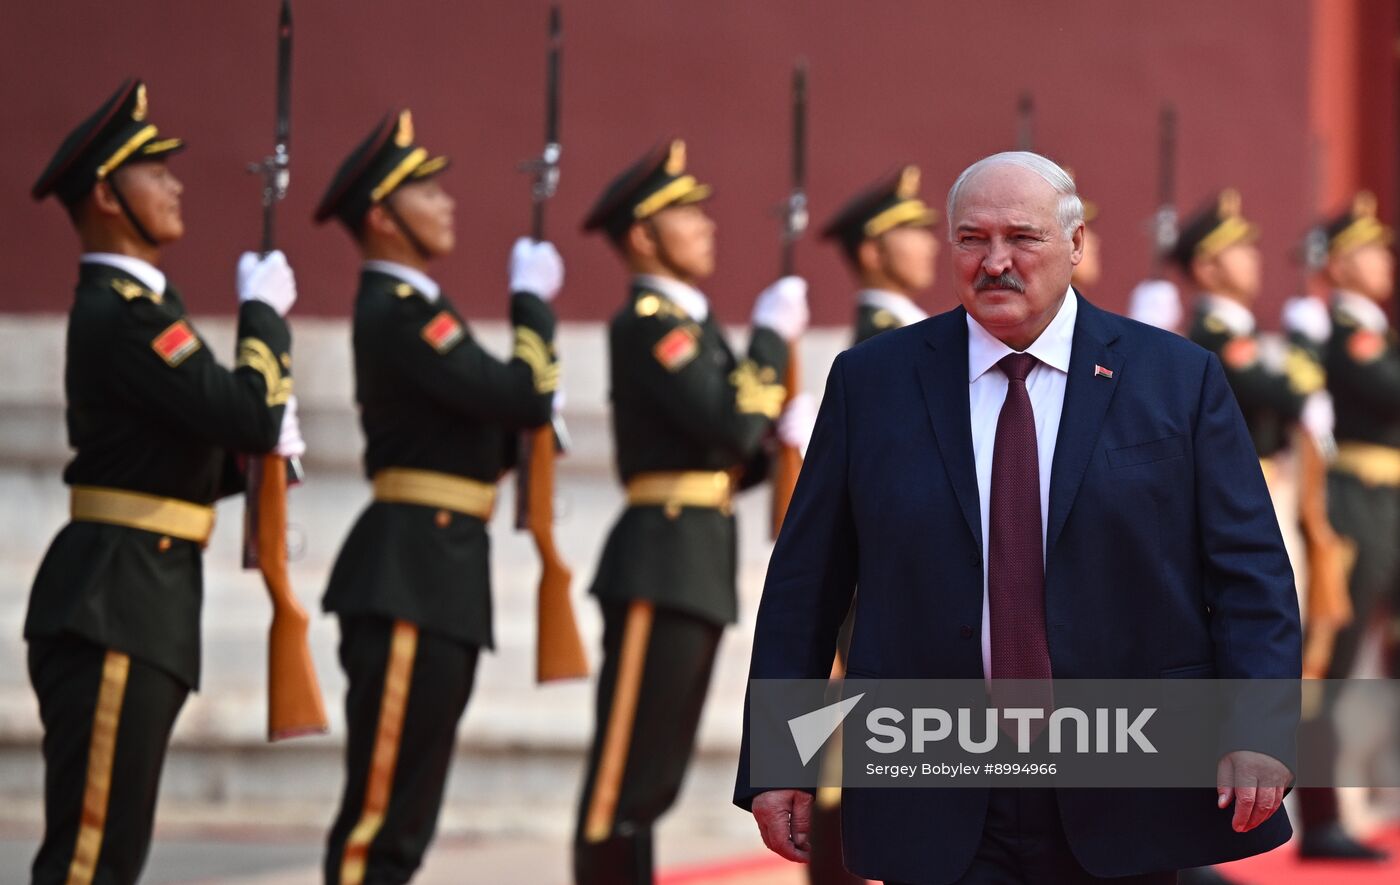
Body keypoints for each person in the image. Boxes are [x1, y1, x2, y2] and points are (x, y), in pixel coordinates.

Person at [736, 151, 1301, 884]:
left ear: (1075, 245)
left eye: (1022, 238)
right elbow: (804, 588)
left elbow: (1249, 572)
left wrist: (1257, 724)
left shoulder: (1176, 379)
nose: (995, 261)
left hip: (1127, 776)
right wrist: (781, 757)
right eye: (972, 239)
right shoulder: (873, 383)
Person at [26, 78, 300, 884]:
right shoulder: (125, 313)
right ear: (108, 193)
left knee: (112, 854)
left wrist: (258, 456)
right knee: (89, 861)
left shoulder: (141, 308)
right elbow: (245, 411)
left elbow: (183, 449)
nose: (177, 184)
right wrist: (265, 320)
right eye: (156, 172)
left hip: (142, 597)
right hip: (116, 599)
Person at [313, 110, 563, 883]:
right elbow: (520, 397)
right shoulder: (398, 311)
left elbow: (490, 427)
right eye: (426, 191)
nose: (447, 203)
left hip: (442, 572)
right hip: (409, 575)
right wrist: (532, 308)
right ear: (384, 216)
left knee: (410, 811)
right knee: (380, 815)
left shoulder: (423, 309)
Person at [574, 139, 810, 884]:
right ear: (644, 235)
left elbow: (726, 456)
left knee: (655, 777)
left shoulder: (693, 322)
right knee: (623, 775)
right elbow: (729, 421)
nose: (707, 225)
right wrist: (771, 343)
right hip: (660, 559)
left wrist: (776, 437)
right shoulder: (649, 322)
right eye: (686, 214)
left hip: (697, 557)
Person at [1292, 191, 1399, 861]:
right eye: (1370, 250)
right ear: (1337, 264)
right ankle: (1322, 809)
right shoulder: (1342, 330)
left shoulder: (1374, 331)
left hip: (1388, 499)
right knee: (1328, 657)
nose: (1385, 260)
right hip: (1354, 500)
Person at [824, 164, 939, 347]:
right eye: (913, 231)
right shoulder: (882, 339)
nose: (932, 246)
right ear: (872, 253)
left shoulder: (902, 327)